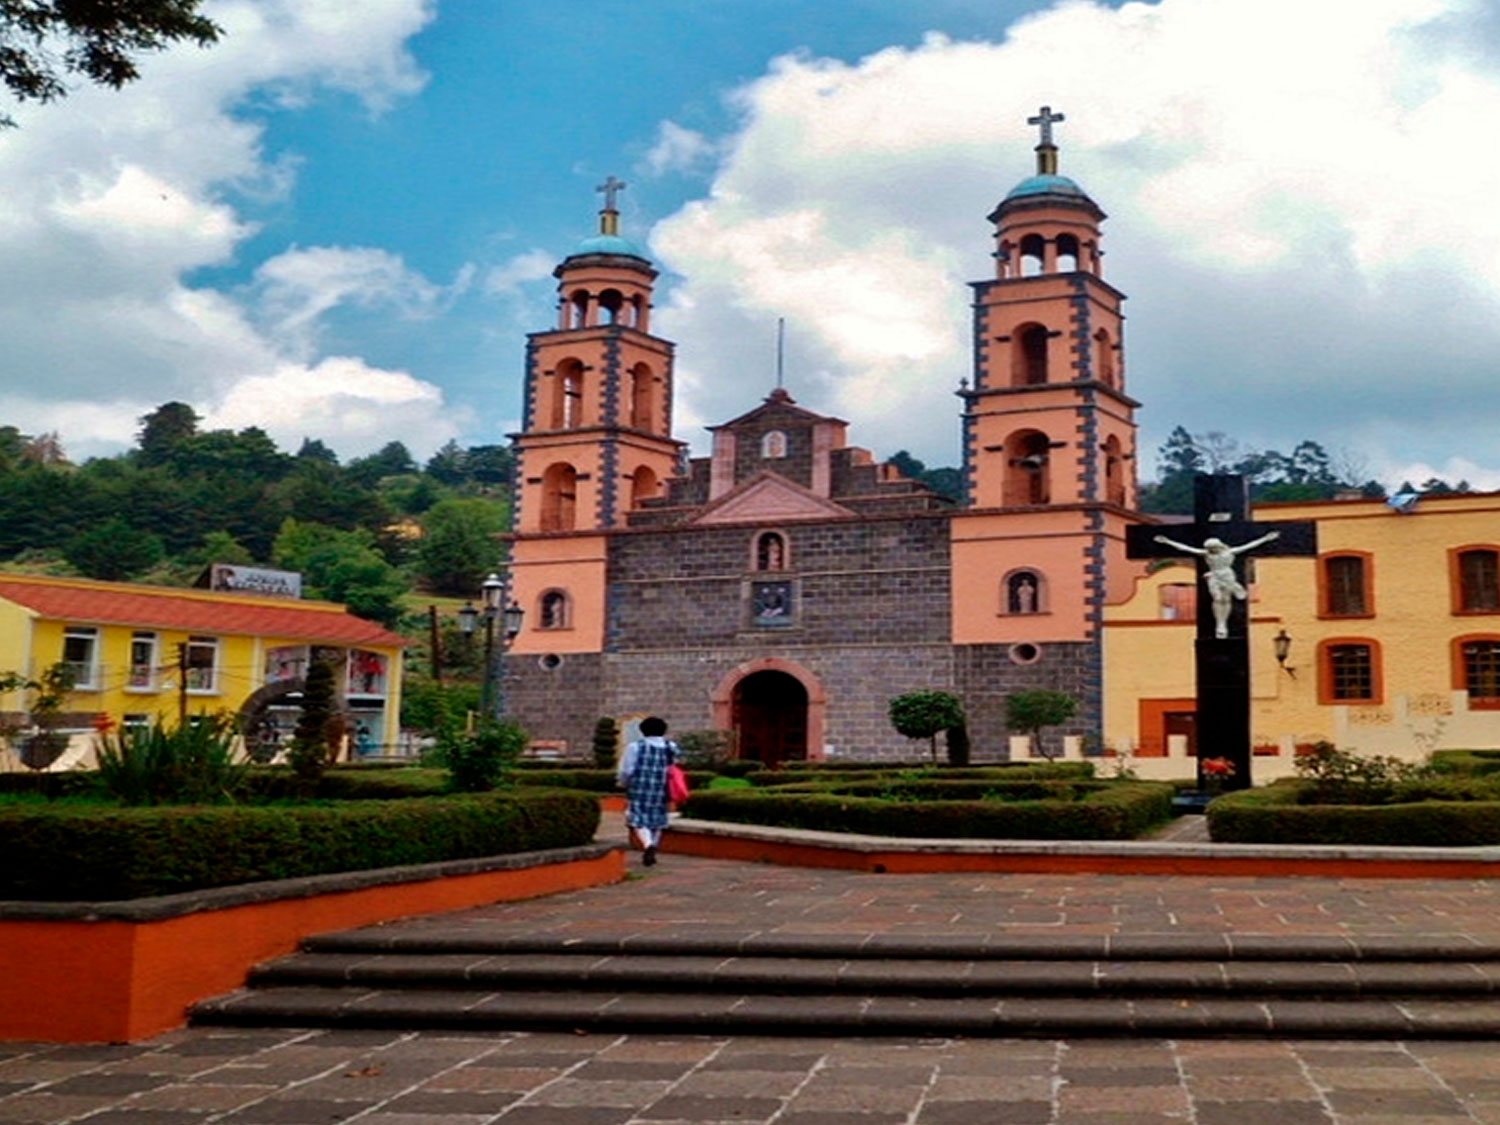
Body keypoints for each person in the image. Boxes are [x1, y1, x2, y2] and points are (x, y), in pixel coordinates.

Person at [1153, 530, 1280, 639]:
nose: (1211, 550)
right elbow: (1186, 548)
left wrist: (1266, 538)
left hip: (1227, 575)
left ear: (1218, 546)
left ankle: (1223, 620)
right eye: (1210, 549)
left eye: (1213, 548)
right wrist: (1167, 541)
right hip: (1214, 576)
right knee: (1217, 599)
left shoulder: (1230, 552)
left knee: (1225, 599)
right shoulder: (1207, 554)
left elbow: (1249, 546)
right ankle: (1220, 623)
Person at [616, 716, 679, 866]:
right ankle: (654, 846)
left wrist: (623, 783)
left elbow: (626, 770)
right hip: (662, 787)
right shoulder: (671, 746)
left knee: (637, 818)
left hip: (640, 786)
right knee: (658, 819)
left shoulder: (635, 747)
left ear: (642, 730)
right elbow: (673, 767)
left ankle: (648, 844)